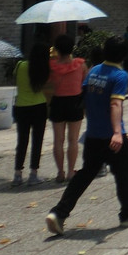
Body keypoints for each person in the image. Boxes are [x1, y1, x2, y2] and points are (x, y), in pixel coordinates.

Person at [45, 36, 128, 235]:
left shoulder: (93, 71)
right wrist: (117, 132)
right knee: (125, 172)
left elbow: (84, 97)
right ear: (124, 55)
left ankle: (59, 213)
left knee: (84, 175)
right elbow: (115, 103)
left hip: (93, 135)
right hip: (112, 136)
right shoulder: (120, 76)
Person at [48, 34, 87, 182]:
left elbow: (48, 82)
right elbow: (85, 82)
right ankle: (71, 171)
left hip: (58, 102)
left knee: (58, 140)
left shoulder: (52, 66)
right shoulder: (80, 64)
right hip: (75, 102)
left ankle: (60, 172)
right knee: (73, 139)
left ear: (57, 49)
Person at [12, 41, 51, 186]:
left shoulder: (20, 65)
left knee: (22, 141)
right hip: (39, 106)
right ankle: (33, 173)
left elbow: (15, 79)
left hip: (21, 106)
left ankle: (17, 174)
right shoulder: (44, 69)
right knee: (37, 140)